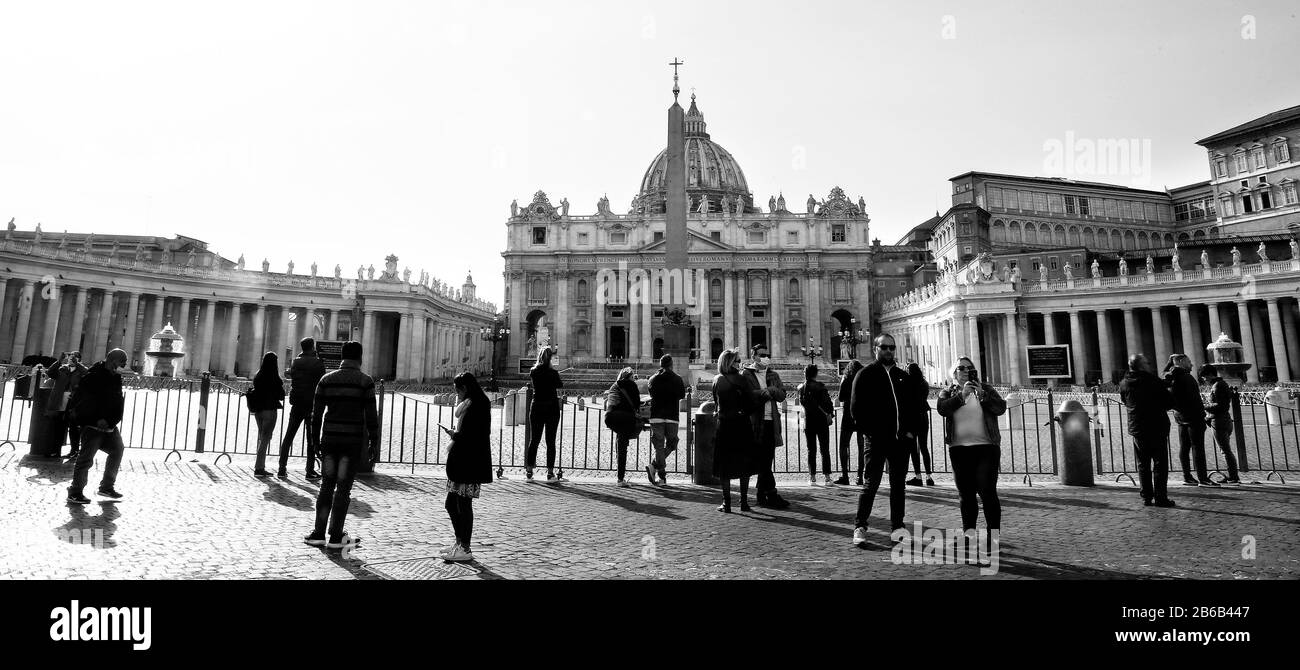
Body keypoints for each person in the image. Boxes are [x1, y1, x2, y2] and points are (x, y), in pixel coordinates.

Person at [304, 341, 380, 549]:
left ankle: (318, 533)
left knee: (326, 486)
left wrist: (314, 441)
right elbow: (371, 416)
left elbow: (316, 415)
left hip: (329, 441)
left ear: (341, 357)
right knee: (343, 488)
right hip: (352, 442)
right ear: (360, 358)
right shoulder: (365, 382)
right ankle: (336, 535)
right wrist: (374, 441)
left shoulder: (326, 380)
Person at [850, 334, 918, 547]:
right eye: (884, 347)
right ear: (875, 349)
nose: (888, 351)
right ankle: (860, 525)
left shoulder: (902, 376)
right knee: (871, 483)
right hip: (876, 439)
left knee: (898, 486)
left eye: (891, 347)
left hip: (900, 441)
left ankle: (898, 526)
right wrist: (870, 432)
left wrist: (909, 433)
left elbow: (912, 408)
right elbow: (855, 410)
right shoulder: (865, 374)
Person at [936, 357, 1006, 538]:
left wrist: (983, 395)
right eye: (961, 368)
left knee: (987, 491)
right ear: (954, 373)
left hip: (986, 447)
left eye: (970, 368)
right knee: (966, 495)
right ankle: (969, 535)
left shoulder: (987, 389)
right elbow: (942, 409)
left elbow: (1000, 408)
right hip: (959, 449)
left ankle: (993, 537)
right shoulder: (948, 392)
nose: (965, 370)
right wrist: (962, 396)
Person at [441, 372, 493, 563]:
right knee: (451, 504)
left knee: (464, 505)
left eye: (457, 390)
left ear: (465, 389)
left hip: (470, 462)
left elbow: (476, 436)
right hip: (462, 460)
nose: (456, 394)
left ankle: (465, 547)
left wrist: (455, 435)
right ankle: (459, 542)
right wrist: (456, 434)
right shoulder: (469, 404)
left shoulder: (477, 405)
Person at [65, 349, 129, 504]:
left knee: (117, 450)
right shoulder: (93, 376)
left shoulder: (115, 377)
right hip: (93, 425)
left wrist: (113, 420)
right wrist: (97, 419)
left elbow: (117, 401)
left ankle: (106, 487)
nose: (124, 365)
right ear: (113, 360)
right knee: (86, 458)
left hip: (110, 425)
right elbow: (85, 401)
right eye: (123, 362)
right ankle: (75, 491)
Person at [1119, 354, 1176, 508]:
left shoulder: (1124, 383)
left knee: (1142, 464)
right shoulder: (1153, 381)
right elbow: (1169, 402)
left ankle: (1146, 497)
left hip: (1137, 428)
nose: (1149, 364)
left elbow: (1125, 401)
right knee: (1160, 464)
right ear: (1141, 366)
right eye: (1146, 362)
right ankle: (1160, 497)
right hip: (1156, 426)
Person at [742, 344, 789, 509]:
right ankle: (772, 494)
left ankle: (761, 495)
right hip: (756, 421)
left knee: (767, 459)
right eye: (761, 355)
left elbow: (782, 395)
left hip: (772, 422)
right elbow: (747, 397)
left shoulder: (773, 374)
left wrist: (772, 391)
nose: (765, 357)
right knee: (762, 459)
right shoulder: (747, 375)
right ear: (753, 356)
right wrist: (766, 393)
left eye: (766, 354)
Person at [712, 349, 756, 512]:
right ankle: (744, 502)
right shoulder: (742, 379)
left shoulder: (717, 380)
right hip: (742, 425)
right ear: (730, 362)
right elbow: (751, 402)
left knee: (725, 466)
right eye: (737, 361)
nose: (740, 363)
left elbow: (716, 404)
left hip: (724, 426)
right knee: (743, 464)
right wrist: (743, 412)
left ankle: (726, 503)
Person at [1164, 354, 1217, 487]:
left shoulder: (1172, 377)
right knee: (1198, 448)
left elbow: (1170, 396)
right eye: (1189, 361)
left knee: (1185, 447)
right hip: (1193, 417)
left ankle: (1187, 476)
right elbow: (1193, 399)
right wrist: (1201, 414)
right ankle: (1203, 478)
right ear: (1181, 361)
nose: (1192, 364)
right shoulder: (1184, 377)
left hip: (1181, 417)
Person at [278, 338, 326, 480]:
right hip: (311, 404)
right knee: (311, 439)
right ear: (312, 347)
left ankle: (282, 468)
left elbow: (292, 375)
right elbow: (322, 381)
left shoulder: (296, 362)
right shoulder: (318, 363)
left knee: (288, 436)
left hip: (297, 402)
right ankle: (309, 470)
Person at [525, 347, 564, 482]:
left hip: (536, 406)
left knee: (534, 440)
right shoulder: (553, 372)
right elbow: (560, 385)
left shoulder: (533, 371)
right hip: (551, 407)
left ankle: (529, 471)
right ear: (550, 358)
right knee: (550, 441)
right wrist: (554, 372)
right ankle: (550, 473)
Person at [646, 354, 686, 487]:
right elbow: (681, 395)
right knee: (672, 443)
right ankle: (659, 474)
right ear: (671, 364)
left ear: (660, 364)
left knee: (658, 446)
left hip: (656, 415)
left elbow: (651, 394)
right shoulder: (678, 379)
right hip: (672, 417)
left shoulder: (652, 379)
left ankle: (655, 468)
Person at [247, 352, 286, 477]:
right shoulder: (275, 377)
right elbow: (281, 395)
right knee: (265, 438)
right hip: (270, 410)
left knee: (262, 437)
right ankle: (259, 468)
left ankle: (260, 466)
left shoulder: (258, 376)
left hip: (258, 410)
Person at [797, 363, 835, 486]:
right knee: (824, 449)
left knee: (810, 450)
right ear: (816, 373)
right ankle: (827, 478)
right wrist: (829, 414)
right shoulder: (820, 387)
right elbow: (828, 404)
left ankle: (812, 477)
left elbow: (803, 405)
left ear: (805, 373)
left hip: (808, 422)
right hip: (821, 421)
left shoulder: (800, 388)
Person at [604, 367, 642, 487]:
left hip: (610, 418)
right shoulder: (632, 385)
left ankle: (620, 476)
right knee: (622, 447)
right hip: (626, 418)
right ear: (630, 377)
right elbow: (636, 404)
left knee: (620, 442)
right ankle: (620, 479)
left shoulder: (614, 385)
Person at [1202, 370, 1241, 485]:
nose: (1203, 380)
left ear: (1209, 375)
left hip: (1219, 420)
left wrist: (1204, 406)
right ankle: (1233, 475)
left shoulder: (1217, 386)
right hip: (1225, 419)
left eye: (1204, 377)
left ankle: (1233, 477)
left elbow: (1220, 405)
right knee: (1226, 450)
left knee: (1225, 451)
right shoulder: (1222, 384)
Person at [48, 351, 89, 459]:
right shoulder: (62, 369)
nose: (72, 359)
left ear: (79, 360)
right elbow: (50, 373)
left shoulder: (81, 371)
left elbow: (88, 376)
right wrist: (59, 361)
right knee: (59, 426)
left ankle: (74, 451)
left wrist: (78, 365)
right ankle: (56, 451)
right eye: (71, 357)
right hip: (60, 400)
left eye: (75, 358)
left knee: (74, 428)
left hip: (74, 402)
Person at [835, 360, 866, 485]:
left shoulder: (846, 378)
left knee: (843, 445)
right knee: (861, 447)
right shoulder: (864, 379)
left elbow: (841, 397)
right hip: (861, 415)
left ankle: (845, 475)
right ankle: (860, 476)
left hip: (848, 414)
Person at [905, 362, 935, 486]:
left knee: (913, 449)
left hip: (912, 418)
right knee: (924, 447)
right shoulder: (924, 383)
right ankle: (929, 476)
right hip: (923, 417)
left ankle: (918, 476)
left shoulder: (908, 383)